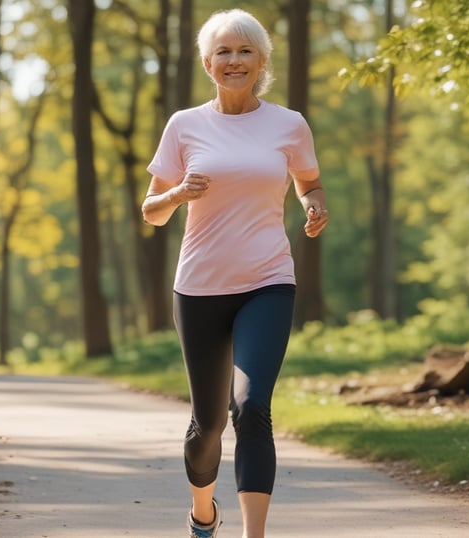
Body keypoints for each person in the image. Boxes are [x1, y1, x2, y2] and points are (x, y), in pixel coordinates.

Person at [141, 8, 328, 538]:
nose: (234, 60)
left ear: (262, 61)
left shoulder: (288, 124)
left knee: (251, 407)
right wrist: (177, 194)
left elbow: (310, 183)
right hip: (199, 288)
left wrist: (315, 205)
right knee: (209, 426)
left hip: (268, 281)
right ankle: (203, 511)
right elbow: (151, 210)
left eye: (245, 51)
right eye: (223, 51)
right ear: (207, 63)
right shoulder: (185, 125)